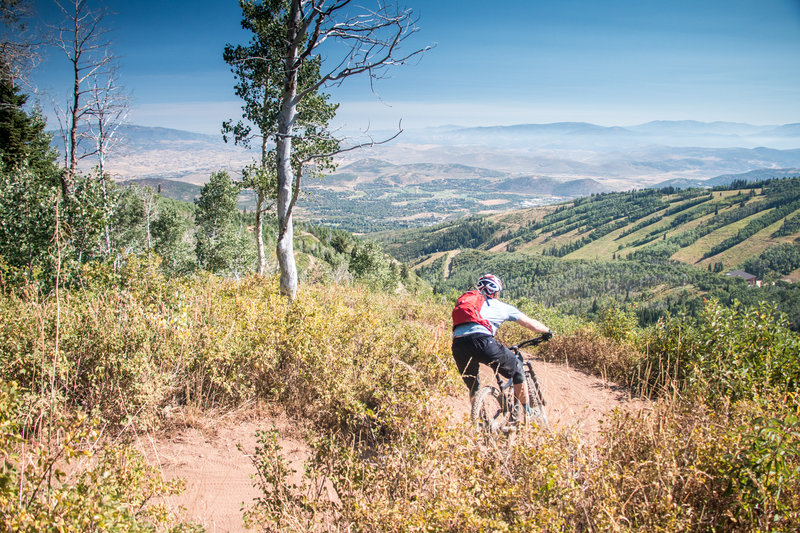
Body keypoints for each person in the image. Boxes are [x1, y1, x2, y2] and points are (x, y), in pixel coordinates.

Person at [451, 273, 552, 421]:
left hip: (458, 345)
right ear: (496, 292)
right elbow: (531, 324)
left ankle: (481, 420)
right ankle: (529, 412)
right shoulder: (502, 306)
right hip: (483, 342)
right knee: (517, 368)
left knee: (473, 386)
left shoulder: (468, 304)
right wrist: (547, 331)